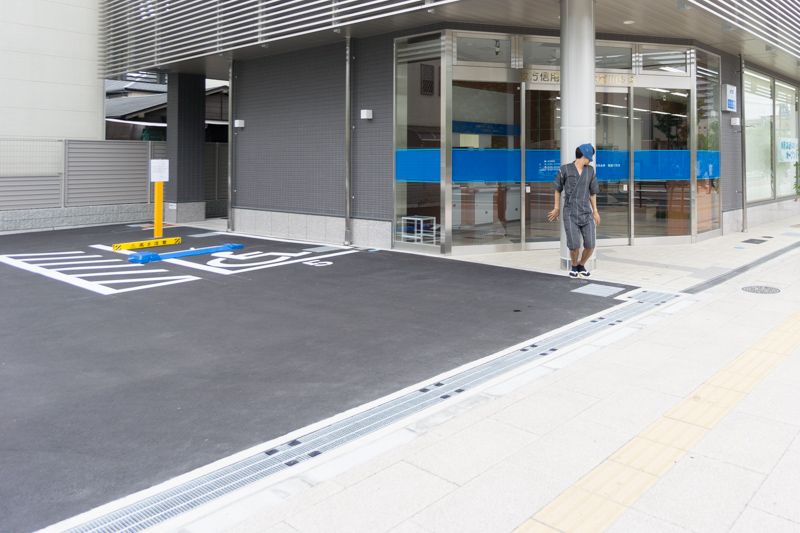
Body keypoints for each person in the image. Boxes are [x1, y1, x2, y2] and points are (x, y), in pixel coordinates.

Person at [547, 143, 601, 278]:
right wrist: (556, 207)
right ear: (584, 156)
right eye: (590, 157)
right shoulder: (565, 169)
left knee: (590, 244)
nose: (590, 160)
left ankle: (582, 265)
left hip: (586, 212)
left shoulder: (590, 171)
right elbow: (557, 189)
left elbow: (593, 192)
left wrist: (595, 211)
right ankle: (574, 266)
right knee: (574, 244)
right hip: (570, 212)